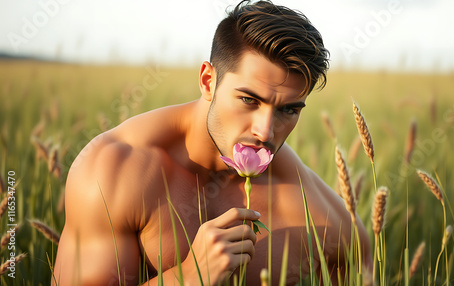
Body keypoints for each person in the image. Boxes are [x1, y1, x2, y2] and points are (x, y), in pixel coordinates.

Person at [53, 1, 372, 285]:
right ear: (208, 81)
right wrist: (189, 276)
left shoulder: (311, 206)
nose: (265, 133)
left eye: (288, 109)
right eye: (249, 99)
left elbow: (363, 263)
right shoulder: (114, 168)